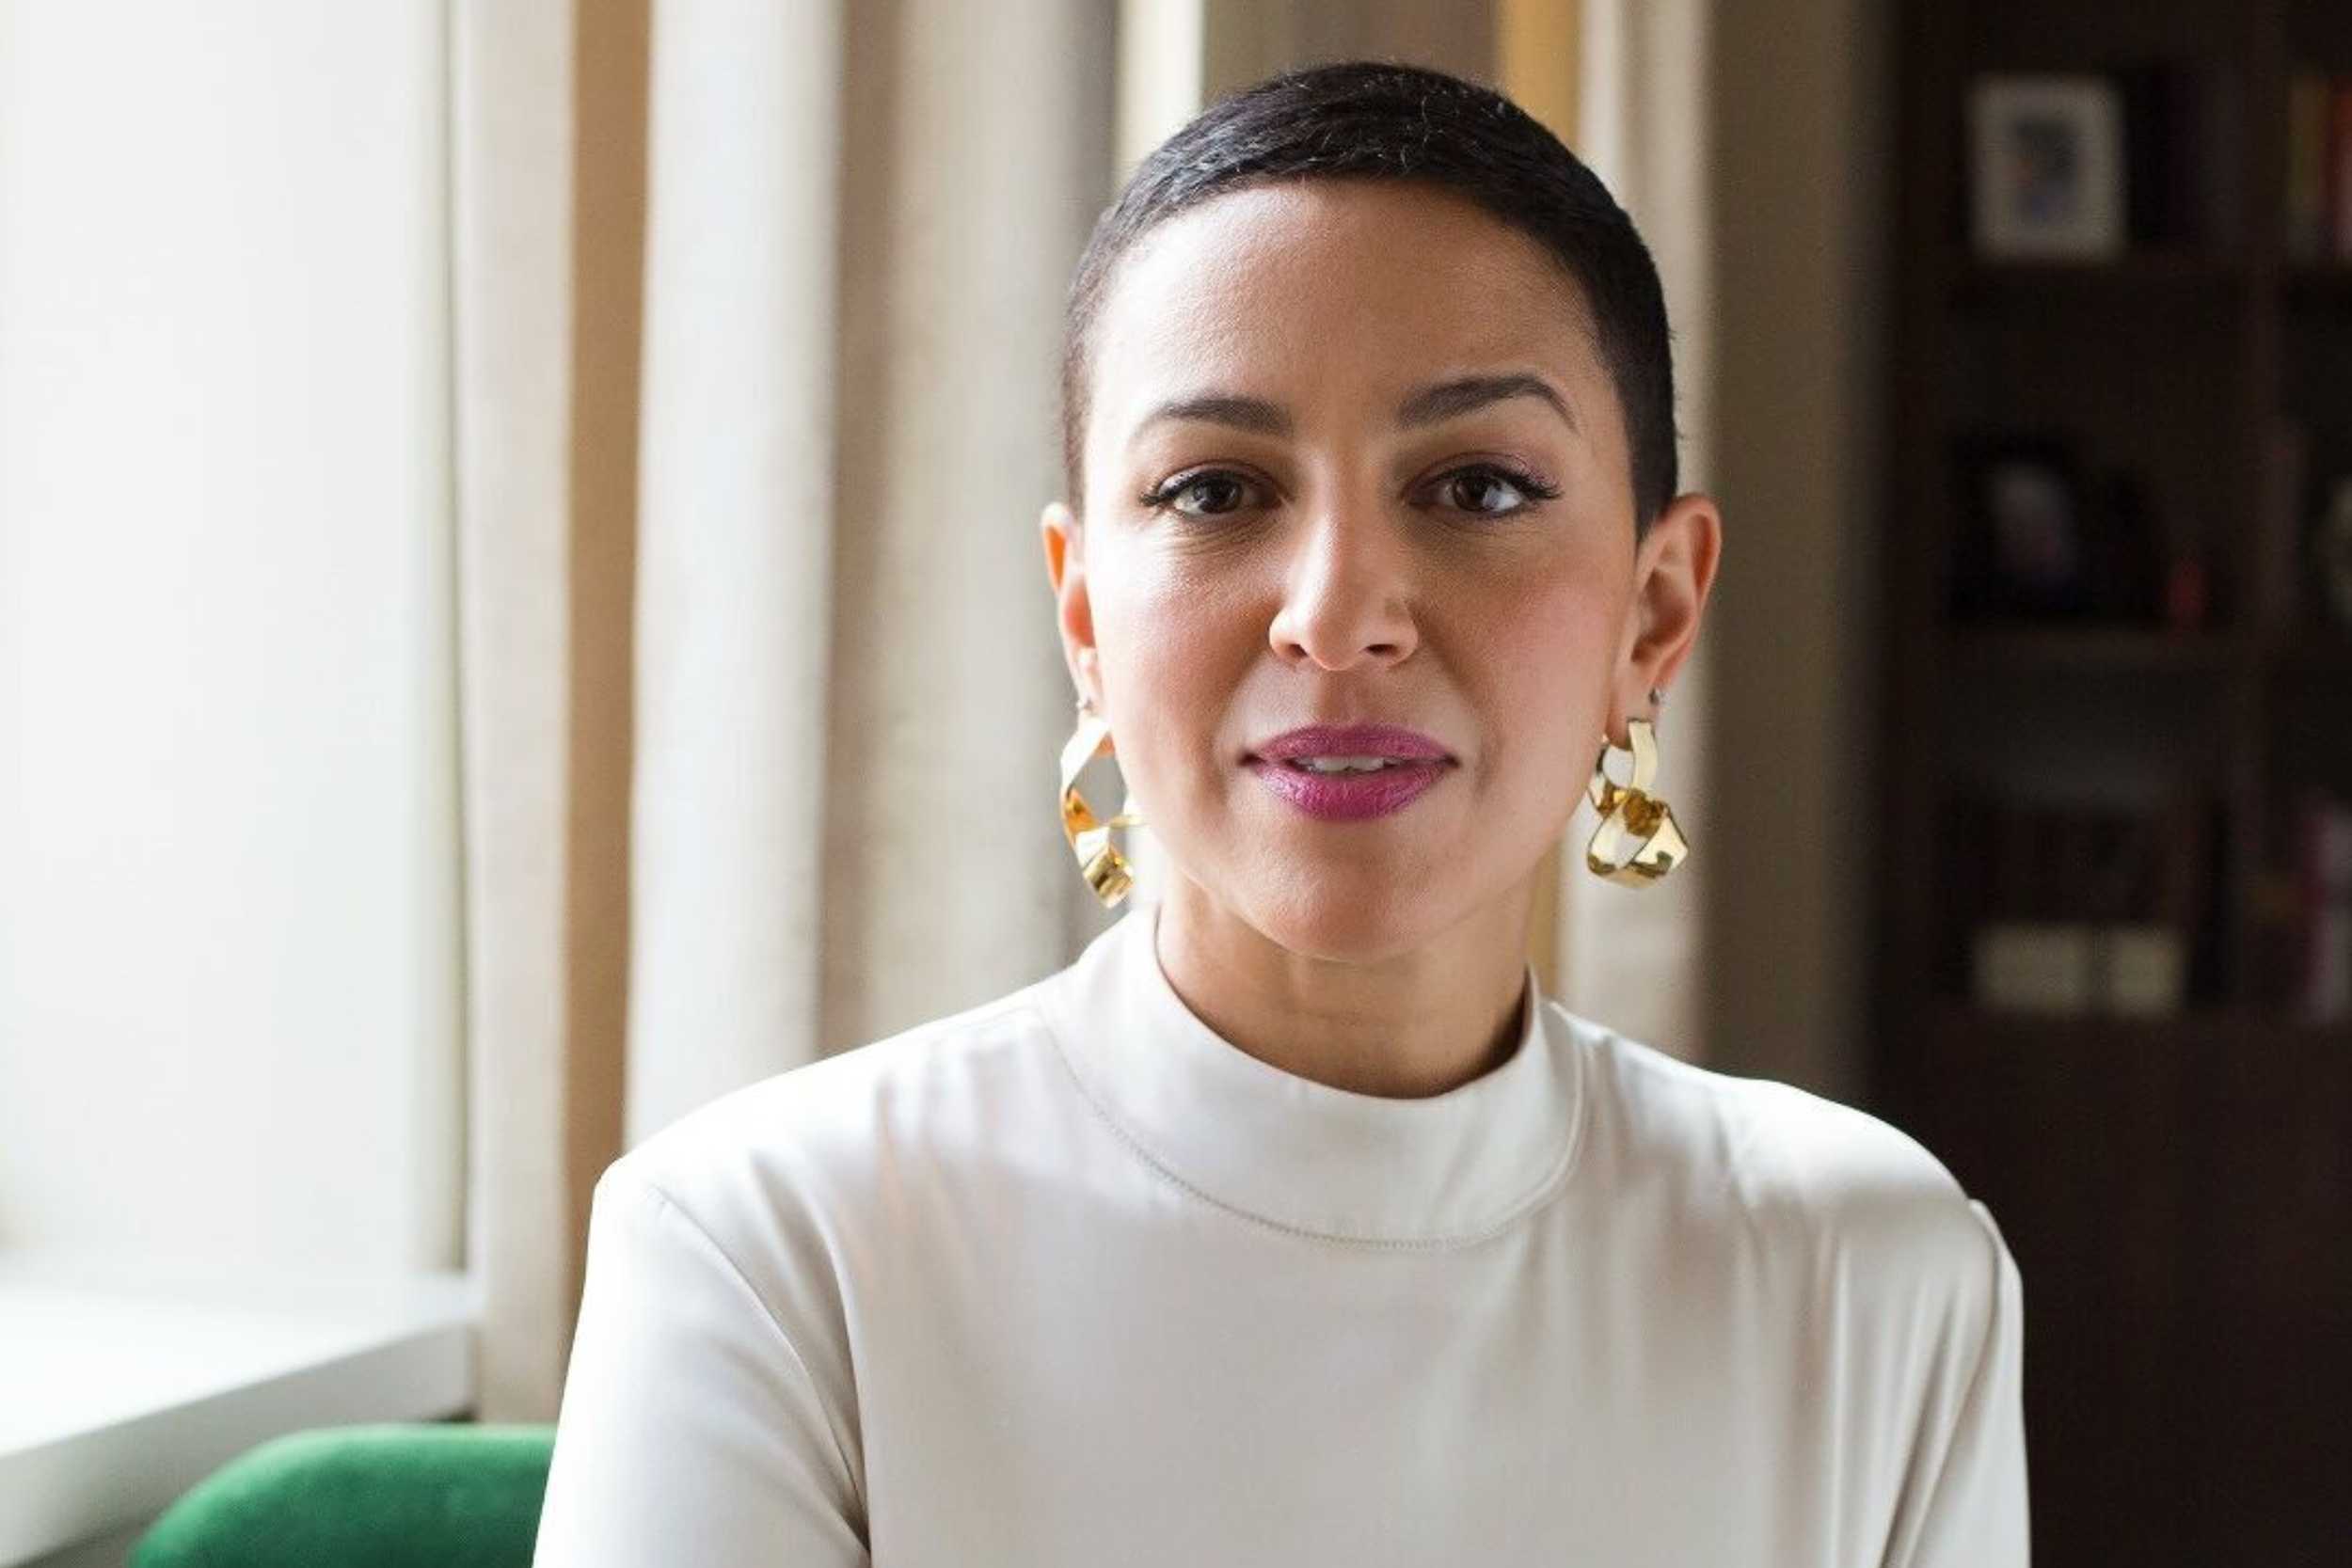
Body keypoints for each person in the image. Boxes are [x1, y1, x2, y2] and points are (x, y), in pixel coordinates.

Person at [531, 60, 2027, 1567]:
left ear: (1654, 610)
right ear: (1085, 622)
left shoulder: (1874, 1275)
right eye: (1215, 492)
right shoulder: (768, 1256)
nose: (1337, 615)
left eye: (1479, 489)